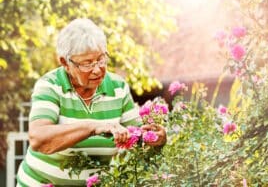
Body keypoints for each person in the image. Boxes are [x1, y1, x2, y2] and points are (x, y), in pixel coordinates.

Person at [16, 18, 166, 186]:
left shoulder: (118, 87)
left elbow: (137, 136)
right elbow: (39, 139)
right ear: (65, 63)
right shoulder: (50, 86)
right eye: (87, 64)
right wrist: (92, 127)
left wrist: (154, 138)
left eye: (101, 59)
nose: (97, 69)